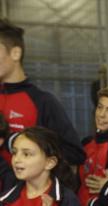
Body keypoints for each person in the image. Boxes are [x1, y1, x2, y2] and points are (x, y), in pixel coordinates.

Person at [0, 18, 84, 167]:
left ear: (15, 53)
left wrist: (17, 142)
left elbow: (75, 154)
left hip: (26, 188)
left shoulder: (42, 102)